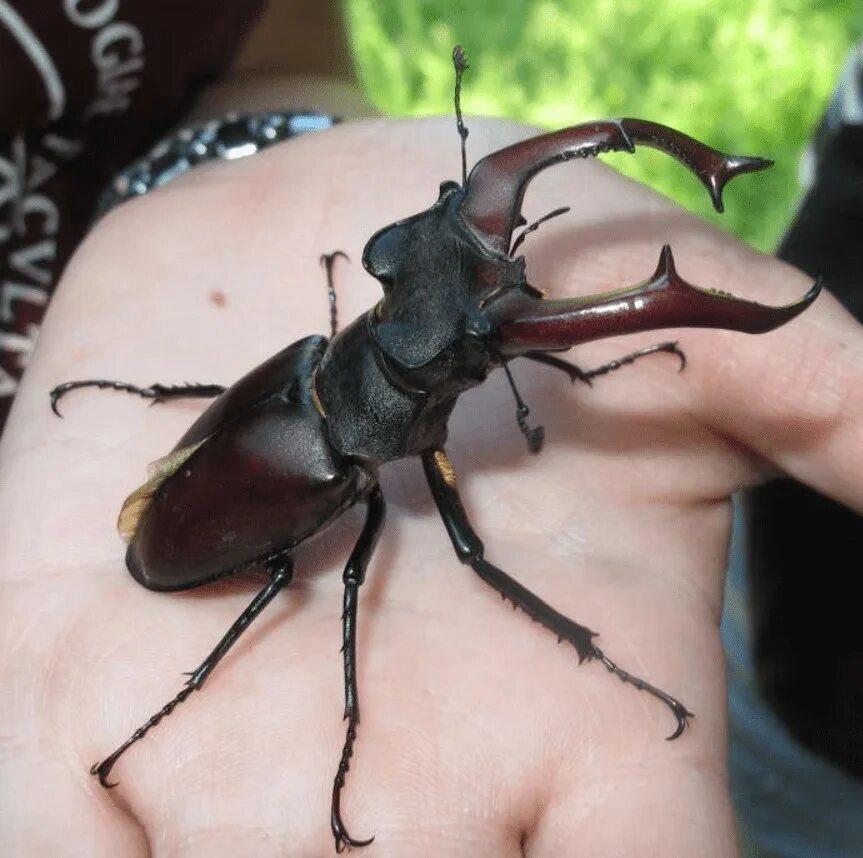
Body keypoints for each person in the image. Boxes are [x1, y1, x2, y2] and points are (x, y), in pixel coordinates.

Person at [3, 6, 863, 857]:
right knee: (310, 581)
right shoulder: (336, 472)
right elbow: (449, 557)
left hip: (246, 438)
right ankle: (210, 694)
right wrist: (344, 731)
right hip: (178, 548)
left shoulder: (311, 357)